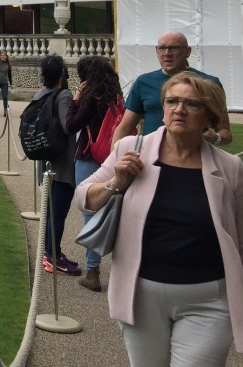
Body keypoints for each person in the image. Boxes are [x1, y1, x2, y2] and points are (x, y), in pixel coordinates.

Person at [75, 72, 243, 365]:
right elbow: (83, 197)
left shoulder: (230, 167)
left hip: (207, 300)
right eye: (172, 101)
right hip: (141, 296)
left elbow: (239, 237)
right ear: (162, 108)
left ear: (209, 116)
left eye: (191, 104)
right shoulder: (131, 149)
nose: (179, 109)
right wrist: (116, 182)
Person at [113, 31, 232, 147]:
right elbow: (124, 128)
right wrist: (113, 161)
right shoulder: (144, 82)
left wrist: (215, 138)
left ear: (188, 51)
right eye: (162, 48)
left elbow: (225, 132)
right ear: (156, 51)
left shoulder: (208, 84)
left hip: (195, 158)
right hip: (151, 159)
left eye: (174, 48)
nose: (167, 53)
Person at [66, 55, 123, 292]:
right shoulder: (116, 97)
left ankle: (92, 271)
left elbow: (71, 125)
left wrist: (76, 99)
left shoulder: (91, 99)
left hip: (90, 157)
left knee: (89, 211)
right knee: (114, 212)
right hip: (111, 158)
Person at [33, 54, 81, 276]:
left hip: (46, 160)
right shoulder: (64, 95)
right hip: (61, 163)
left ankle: (50, 252)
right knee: (58, 212)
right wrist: (78, 103)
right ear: (62, 73)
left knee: (51, 211)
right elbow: (68, 126)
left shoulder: (40, 93)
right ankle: (52, 257)